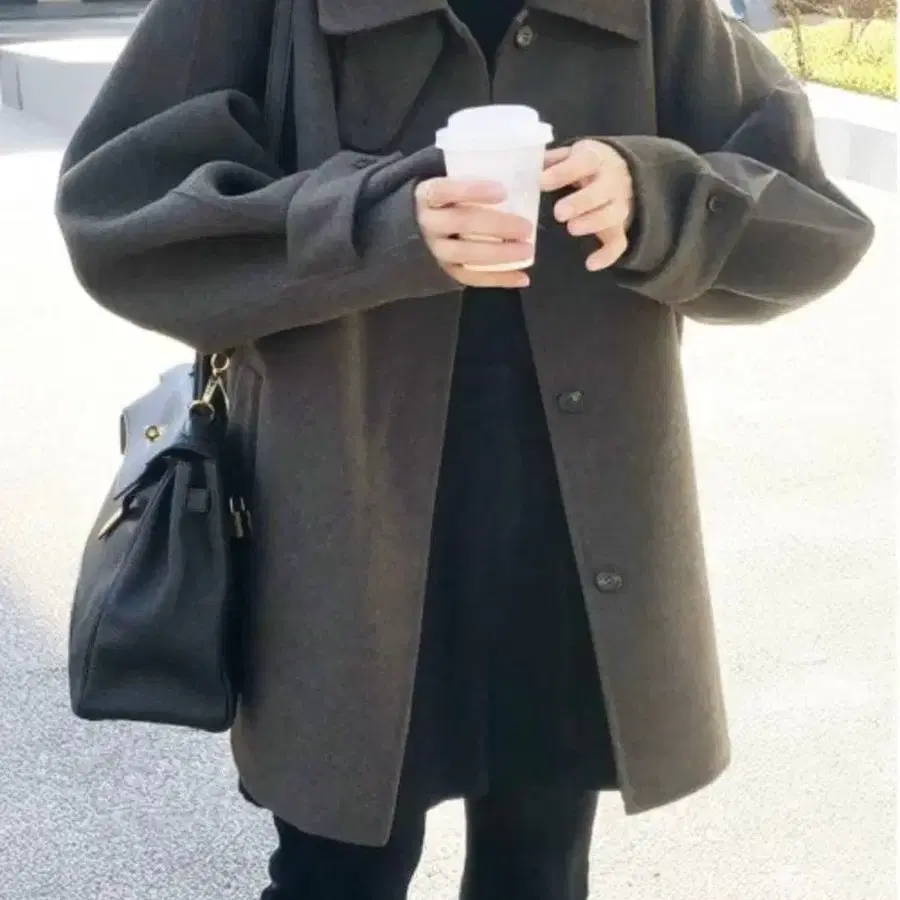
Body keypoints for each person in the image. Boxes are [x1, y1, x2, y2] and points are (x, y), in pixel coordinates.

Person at [55, 0, 873, 896]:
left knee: (538, 867)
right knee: (337, 873)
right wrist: (374, 223)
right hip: (340, 518)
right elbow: (118, 208)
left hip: (567, 523)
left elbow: (813, 217)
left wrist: (654, 193)